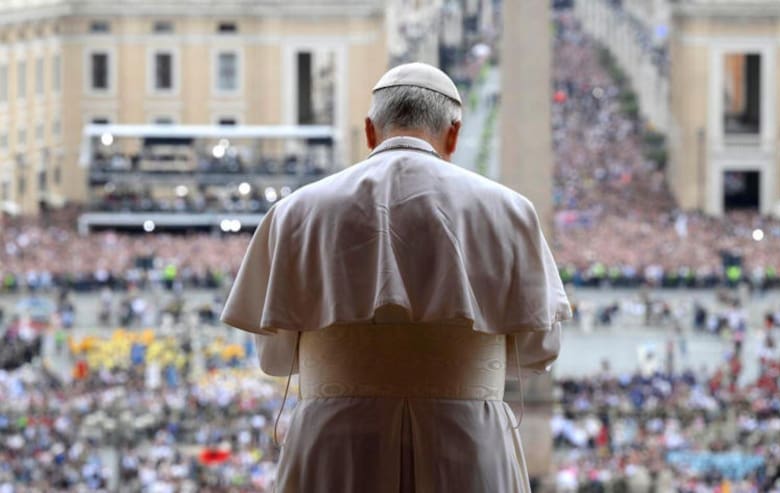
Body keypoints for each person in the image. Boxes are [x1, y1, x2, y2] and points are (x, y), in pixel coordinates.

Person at [221, 62, 572, 492]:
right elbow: (537, 352)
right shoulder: (510, 211)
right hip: (468, 441)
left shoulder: (296, 212)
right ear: (454, 134)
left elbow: (274, 358)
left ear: (370, 131)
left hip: (337, 442)